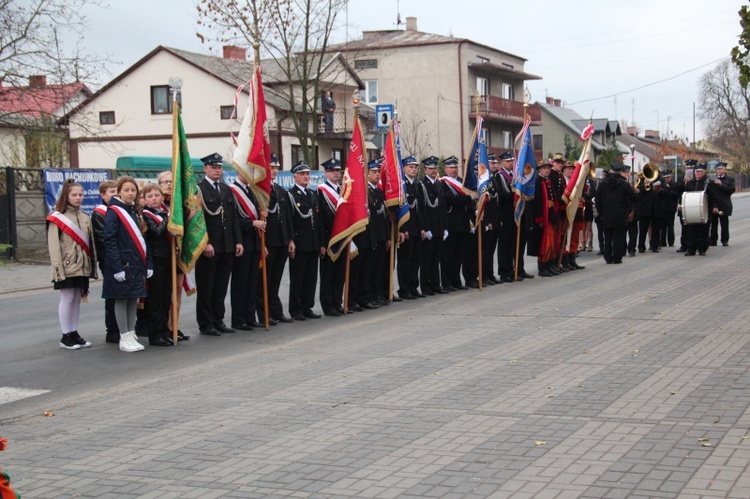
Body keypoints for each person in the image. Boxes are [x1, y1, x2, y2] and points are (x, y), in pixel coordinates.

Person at [195, 153, 243, 336]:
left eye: (219, 167)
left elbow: (233, 219)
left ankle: (218, 319)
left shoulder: (226, 189)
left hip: (227, 245)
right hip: (209, 247)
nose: (217, 170)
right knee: (207, 286)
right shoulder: (198, 190)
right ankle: (206, 323)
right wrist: (205, 243)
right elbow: (197, 221)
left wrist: (238, 241)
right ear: (205, 169)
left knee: (221, 286)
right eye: (214, 167)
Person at [102, 176, 151, 352]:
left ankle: (130, 333)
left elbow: (142, 240)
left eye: (133, 190)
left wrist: (148, 264)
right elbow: (110, 241)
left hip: (136, 263)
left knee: (133, 298)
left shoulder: (133, 211)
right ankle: (124, 336)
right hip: (122, 264)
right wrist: (116, 268)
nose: (130, 193)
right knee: (122, 299)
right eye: (126, 190)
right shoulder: (114, 211)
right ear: (119, 192)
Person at [47, 178, 97, 350]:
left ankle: (74, 332)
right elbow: (54, 246)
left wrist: (92, 266)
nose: (78, 197)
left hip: (82, 265)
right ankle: (65, 335)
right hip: (66, 266)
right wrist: (58, 269)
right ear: (66, 196)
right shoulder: (57, 218)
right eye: (74, 194)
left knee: (76, 299)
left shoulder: (85, 217)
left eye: (81, 194)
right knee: (67, 298)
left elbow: (90, 243)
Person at [257, 154, 295, 324]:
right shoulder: (259, 190)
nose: (273, 171)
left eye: (275, 168)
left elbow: (286, 217)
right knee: (264, 279)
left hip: (281, 241)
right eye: (270, 167)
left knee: (276, 278)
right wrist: (261, 243)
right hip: (268, 241)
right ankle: (265, 312)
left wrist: (290, 240)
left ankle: (275, 310)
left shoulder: (279, 190)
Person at [229, 169, 266, 331]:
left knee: (252, 283)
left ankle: (250, 317)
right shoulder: (232, 191)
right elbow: (233, 219)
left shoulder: (252, 191)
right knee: (241, 283)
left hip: (255, 242)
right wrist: (252, 224)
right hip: (241, 242)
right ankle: (238, 318)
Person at [157, 170, 189, 341]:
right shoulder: (157, 205)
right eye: (165, 182)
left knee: (177, 289)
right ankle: (164, 327)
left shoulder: (179, 203)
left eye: (172, 181)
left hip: (179, 251)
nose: (169, 184)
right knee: (165, 292)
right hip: (163, 253)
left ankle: (174, 325)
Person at [287, 161, 322, 320]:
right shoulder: (291, 195)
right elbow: (289, 220)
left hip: (313, 243)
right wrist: (291, 240)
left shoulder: (313, 194)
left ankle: (307, 306)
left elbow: (317, 220)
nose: (306, 177)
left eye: (308, 174)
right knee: (298, 278)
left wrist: (321, 243)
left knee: (311, 278)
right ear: (295, 177)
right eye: (302, 174)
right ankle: (295, 309)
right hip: (300, 243)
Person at [141, 183, 174, 346]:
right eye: (150, 196)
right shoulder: (146, 215)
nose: (154, 199)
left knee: (165, 297)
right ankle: (155, 334)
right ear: (145, 200)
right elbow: (158, 232)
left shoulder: (163, 212)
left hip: (168, 259)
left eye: (156, 195)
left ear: (162, 197)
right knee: (155, 298)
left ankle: (164, 330)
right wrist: (169, 217)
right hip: (155, 259)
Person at [317, 157, 346, 316]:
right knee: (328, 273)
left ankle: (337, 301)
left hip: (341, 237)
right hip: (328, 238)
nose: (336, 173)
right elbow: (321, 220)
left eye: (337, 170)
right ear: (326, 172)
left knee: (339, 273)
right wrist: (322, 243)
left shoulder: (342, 190)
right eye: (332, 171)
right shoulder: (321, 191)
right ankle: (328, 305)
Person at [594, 162, 638, 264]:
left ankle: (608, 257)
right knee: (619, 236)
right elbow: (634, 198)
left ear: (610, 171)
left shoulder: (602, 184)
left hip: (606, 215)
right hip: (620, 214)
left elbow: (597, 201)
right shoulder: (624, 184)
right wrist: (628, 209)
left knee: (608, 236)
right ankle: (617, 257)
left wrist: (601, 213)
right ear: (620, 171)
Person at [91, 179, 119, 343]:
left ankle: (122, 326)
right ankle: (112, 329)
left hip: (122, 258)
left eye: (117, 192)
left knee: (124, 294)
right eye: (112, 193)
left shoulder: (117, 210)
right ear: (103, 195)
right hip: (109, 259)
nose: (115, 196)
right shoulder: (100, 213)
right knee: (112, 294)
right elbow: (103, 239)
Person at [440, 155, 472, 290]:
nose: (454, 170)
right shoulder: (442, 183)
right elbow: (451, 199)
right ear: (445, 168)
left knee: (459, 255)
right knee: (448, 255)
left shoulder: (461, 182)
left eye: (455, 167)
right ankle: (447, 283)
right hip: (451, 224)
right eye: (451, 167)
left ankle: (457, 281)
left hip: (463, 223)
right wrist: (468, 197)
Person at [418, 155, 447, 295]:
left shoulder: (439, 184)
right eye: (430, 168)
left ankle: (436, 284)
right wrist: (424, 228)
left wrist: (445, 227)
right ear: (425, 170)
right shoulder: (421, 185)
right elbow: (422, 209)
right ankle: (425, 286)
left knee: (436, 258)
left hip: (439, 227)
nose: (434, 171)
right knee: (426, 259)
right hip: (429, 227)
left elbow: (442, 207)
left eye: (435, 168)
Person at [397, 156, 423, 299]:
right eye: (410, 167)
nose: (413, 169)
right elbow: (401, 210)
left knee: (416, 259)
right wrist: (402, 229)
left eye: (415, 167)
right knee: (405, 261)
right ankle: (404, 288)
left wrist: (423, 228)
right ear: (404, 168)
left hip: (417, 228)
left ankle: (413, 286)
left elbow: (420, 209)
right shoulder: (402, 185)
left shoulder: (416, 185)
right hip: (407, 229)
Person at [528, 161, 559, 276]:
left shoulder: (548, 181)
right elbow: (536, 203)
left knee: (551, 243)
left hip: (550, 215)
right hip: (543, 217)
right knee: (544, 244)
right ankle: (542, 267)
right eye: (544, 168)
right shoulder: (538, 182)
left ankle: (550, 265)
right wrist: (539, 218)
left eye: (548, 168)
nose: (547, 170)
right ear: (539, 170)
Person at [680, 162, 715, 256]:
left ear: (704, 172)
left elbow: (714, 197)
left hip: (705, 210)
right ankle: (691, 248)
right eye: (696, 171)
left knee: (704, 229)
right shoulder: (690, 183)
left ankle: (702, 248)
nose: (697, 173)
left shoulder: (709, 183)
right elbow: (685, 195)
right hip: (692, 211)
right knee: (691, 230)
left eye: (700, 171)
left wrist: (713, 206)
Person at [495, 151, 518, 282]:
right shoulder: (499, 177)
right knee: (504, 244)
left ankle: (511, 269)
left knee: (511, 243)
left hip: (514, 214)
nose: (510, 163)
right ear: (502, 162)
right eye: (508, 161)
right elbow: (501, 196)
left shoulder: (514, 176)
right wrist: (514, 194)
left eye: (512, 161)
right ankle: (503, 271)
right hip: (504, 214)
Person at [709, 161, 734, 246]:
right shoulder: (713, 179)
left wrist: (721, 184)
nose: (719, 171)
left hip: (724, 204)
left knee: (724, 224)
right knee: (713, 224)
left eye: (721, 169)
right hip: (714, 204)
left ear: (725, 169)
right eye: (718, 169)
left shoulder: (729, 179)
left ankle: (725, 240)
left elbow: (731, 190)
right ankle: (713, 240)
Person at [660, 170, 679, 248]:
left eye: (668, 177)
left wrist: (668, 191)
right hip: (663, 208)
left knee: (670, 225)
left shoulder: (674, 185)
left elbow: (676, 195)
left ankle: (671, 242)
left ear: (671, 177)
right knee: (662, 226)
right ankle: (662, 242)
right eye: (665, 178)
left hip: (671, 208)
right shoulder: (662, 185)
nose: (666, 179)